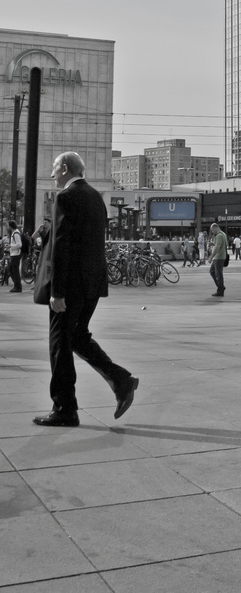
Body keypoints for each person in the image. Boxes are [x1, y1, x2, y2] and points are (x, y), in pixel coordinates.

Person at [33, 151, 138, 428]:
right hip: (92, 283)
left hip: (70, 286)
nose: (52, 174)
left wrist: (57, 292)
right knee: (77, 337)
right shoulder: (95, 197)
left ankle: (65, 408)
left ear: (65, 168)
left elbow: (63, 246)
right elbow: (84, 240)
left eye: (54, 168)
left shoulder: (65, 197)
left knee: (59, 346)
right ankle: (121, 380)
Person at [209, 221, 228, 298]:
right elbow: (220, 244)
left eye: (212, 230)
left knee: (218, 274)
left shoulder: (219, 236)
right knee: (213, 272)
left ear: (215, 228)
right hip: (221, 256)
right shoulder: (223, 234)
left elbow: (217, 247)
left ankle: (220, 290)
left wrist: (211, 257)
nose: (212, 232)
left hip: (218, 257)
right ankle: (221, 287)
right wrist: (212, 244)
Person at [8, 220, 22, 293]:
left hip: (15, 254)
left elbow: (19, 244)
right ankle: (16, 286)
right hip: (14, 254)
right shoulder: (15, 233)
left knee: (14, 271)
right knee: (12, 270)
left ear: (10, 226)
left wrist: (11, 246)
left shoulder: (16, 233)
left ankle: (18, 287)